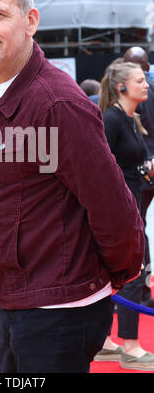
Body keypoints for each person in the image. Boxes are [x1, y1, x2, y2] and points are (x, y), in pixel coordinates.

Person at [0, 0, 144, 373]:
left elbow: (114, 207)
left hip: (58, 310)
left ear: (30, 20)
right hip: (13, 300)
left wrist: (107, 278)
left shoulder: (58, 103)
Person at [98, 61, 154, 370]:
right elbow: (100, 167)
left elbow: (131, 166)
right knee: (134, 272)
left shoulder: (131, 119)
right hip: (121, 210)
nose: (146, 85)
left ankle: (106, 341)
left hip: (133, 204)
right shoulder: (112, 120)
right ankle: (130, 346)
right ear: (122, 87)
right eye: (139, 80)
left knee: (122, 275)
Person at [123, 46, 154, 308]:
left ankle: (139, 293)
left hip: (141, 172)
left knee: (137, 230)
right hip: (141, 171)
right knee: (138, 229)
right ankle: (139, 292)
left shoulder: (140, 97)